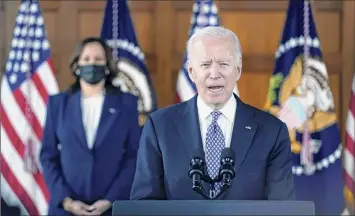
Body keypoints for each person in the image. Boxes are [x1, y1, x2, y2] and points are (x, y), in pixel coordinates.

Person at [130, 26, 295, 200]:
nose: (214, 74)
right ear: (192, 72)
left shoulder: (272, 131)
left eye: (223, 64)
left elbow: (281, 206)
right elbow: (144, 203)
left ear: (238, 70)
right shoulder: (160, 126)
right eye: (205, 64)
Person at [40, 37, 141, 215]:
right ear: (77, 65)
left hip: (112, 208)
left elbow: (134, 156)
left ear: (107, 65)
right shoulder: (58, 104)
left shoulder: (127, 104)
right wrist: (67, 201)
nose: (92, 64)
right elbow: (48, 156)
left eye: (98, 59)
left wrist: (110, 200)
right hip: (66, 208)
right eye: (86, 59)